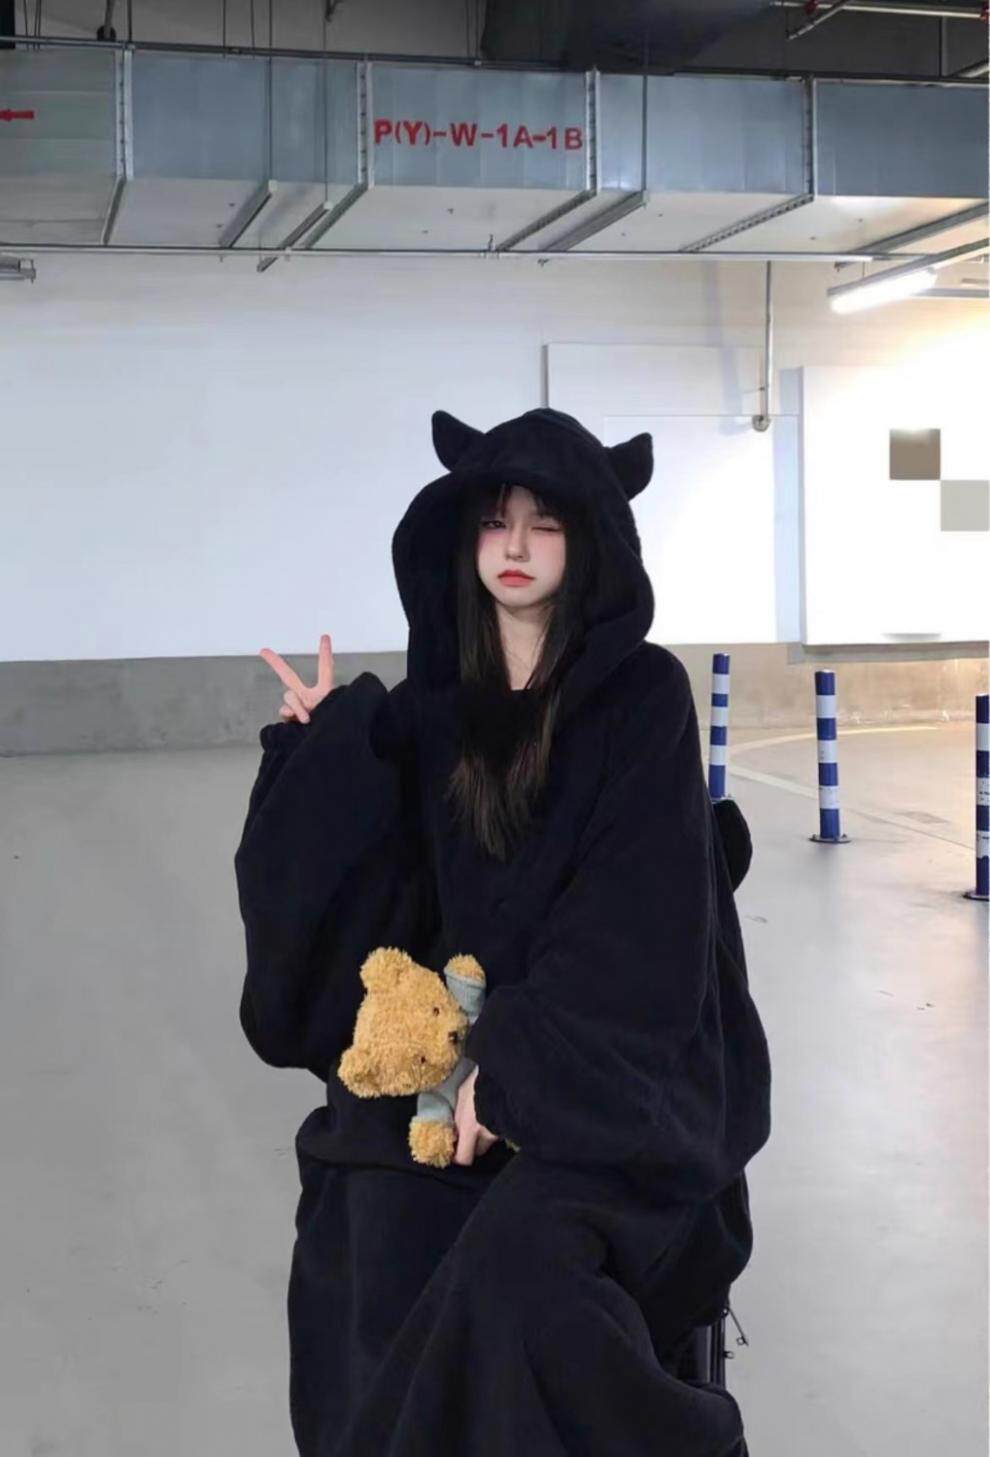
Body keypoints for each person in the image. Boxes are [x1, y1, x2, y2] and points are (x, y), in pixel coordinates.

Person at [233, 406, 773, 1457]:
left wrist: (518, 1068)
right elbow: (371, 896)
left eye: (545, 522)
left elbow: (637, 934)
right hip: (457, 1057)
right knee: (372, 1223)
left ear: (591, 539)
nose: (516, 545)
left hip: (618, 1075)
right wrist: (323, 749)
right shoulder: (441, 702)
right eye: (495, 519)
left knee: (524, 1271)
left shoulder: (643, 698)